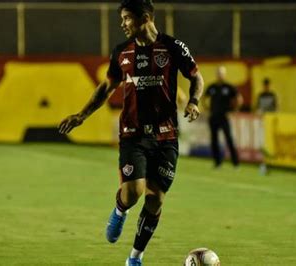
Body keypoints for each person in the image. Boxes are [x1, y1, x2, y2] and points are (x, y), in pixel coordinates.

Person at [58, 0, 204, 265]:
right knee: (134, 192)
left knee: (155, 200)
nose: (122, 24)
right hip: (133, 134)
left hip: (166, 136)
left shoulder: (173, 47)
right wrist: (81, 115)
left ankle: (135, 258)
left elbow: (196, 77)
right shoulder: (121, 52)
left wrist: (194, 101)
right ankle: (119, 209)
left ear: (145, 18)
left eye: (126, 18)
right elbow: (106, 87)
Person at [203, 66, 242, 168]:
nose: (219, 75)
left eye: (221, 73)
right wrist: (207, 109)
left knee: (229, 139)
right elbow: (204, 98)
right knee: (214, 140)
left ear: (224, 74)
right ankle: (217, 163)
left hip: (224, 117)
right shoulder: (212, 87)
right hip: (214, 117)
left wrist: (233, 111)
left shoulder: (229, 87)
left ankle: (235, 162)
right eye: (218, 73)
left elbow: (239, 99)